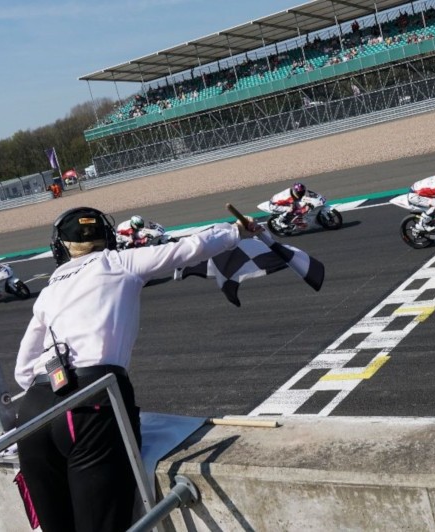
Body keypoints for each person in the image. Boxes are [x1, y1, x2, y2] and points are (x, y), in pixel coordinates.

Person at [14, 206, 260, 532]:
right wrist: (236, 231)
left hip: (33, 412)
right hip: (91, 402)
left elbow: (22, 369)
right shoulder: (118, 262)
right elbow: (188, 248)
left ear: (60, 246)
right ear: (108, 237)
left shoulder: (50, 288)